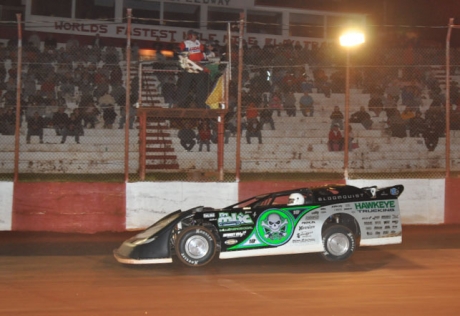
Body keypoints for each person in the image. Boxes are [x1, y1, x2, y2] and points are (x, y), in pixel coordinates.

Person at [175, 29, 209, 108]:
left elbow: (204, 51)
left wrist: (205, 54)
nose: (195, 36)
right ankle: (181, 104)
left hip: (198, 66)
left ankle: (201, 104)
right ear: (190, 35)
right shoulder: (185, 43)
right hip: (189, 66)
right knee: (185, 85)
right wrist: (181, 53)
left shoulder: (198, 43)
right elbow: (178, 49)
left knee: (201, 86)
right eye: (194, 35)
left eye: (196, 35)